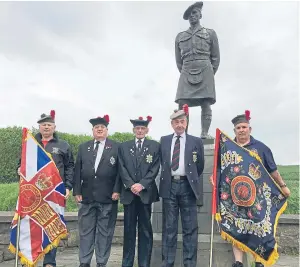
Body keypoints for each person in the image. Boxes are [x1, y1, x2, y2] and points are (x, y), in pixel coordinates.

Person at [210, 111, 291, 267]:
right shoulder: (227, 148)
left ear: (250, 129)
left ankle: (259, 261)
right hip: (234, 199)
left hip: (257, 199)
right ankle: (238, 262)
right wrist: (214, 177)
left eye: (244, 127)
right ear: (234, 131)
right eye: (238, 128)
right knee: (237, 228)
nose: (241, 130)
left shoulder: (261, 148)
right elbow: (219, 168)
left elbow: (272, 170)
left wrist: (283, 186)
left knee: (259, 229)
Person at [18, 110, 74, 267]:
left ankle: (49, 262)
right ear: (39, 127)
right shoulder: (30, 144)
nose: (46, 127)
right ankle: (29, 260)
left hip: (53, 195)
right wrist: (18, 170)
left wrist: (68, 186)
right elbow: (21, 164)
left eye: (49, 125)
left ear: (54, 127)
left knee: (51, 226)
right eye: (43, 125)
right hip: (33, 196)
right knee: (31, 227)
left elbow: (70, 167)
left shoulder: (63, 145)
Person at [159, 106, 204, 267]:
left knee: (190, 229)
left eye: (182, 121)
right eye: (176, 122)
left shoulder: (196, 141)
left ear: (186, 123)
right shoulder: (164, 140)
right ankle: (167, 263)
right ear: (172, 124)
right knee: (169, 228)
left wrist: (189, 179)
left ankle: (189, 264)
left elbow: (200, 166)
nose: (179, 125)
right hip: (169, 186)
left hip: (187, 187)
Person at [73, 115, 121, 267]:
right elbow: (77, 171)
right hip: (87, 197)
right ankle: (84, 262)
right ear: (92, 130)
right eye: (96, 128)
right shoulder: (83, 147)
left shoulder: (116, 147)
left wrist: (117, 190)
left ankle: (101, 262)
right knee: (85, 232)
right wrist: (77, 191)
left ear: (107, 130)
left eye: (102, 127)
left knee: (105, 233)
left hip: (108, 197)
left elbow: (121, 172)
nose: (99, 130)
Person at [118, 116, 160, 267]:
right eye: (137, 128)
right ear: (133, 130)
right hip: (129, 194)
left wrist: (141, 184)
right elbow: (121, 168)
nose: (140, 131)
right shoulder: (124, 146)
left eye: (143, 128)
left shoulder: (155, 146)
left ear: (147, 130)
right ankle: (127, 263)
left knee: (145, 230)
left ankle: (144, 263)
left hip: (145, 194)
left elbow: (154, 168)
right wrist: (131, 185)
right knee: (128, 230)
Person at [175, 1, 220, 138]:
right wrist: (186, 69)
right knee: (182, 103)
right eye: (189, 15)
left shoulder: (210, 33)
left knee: (206, 102)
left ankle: (204, 133)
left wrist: (210, 72)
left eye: (194, 13)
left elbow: (216, 57)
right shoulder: (180, 36)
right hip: (187, 68)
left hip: (205, 68)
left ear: (200, 14)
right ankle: (184, 134)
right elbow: (178, 61)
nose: (192, 16)